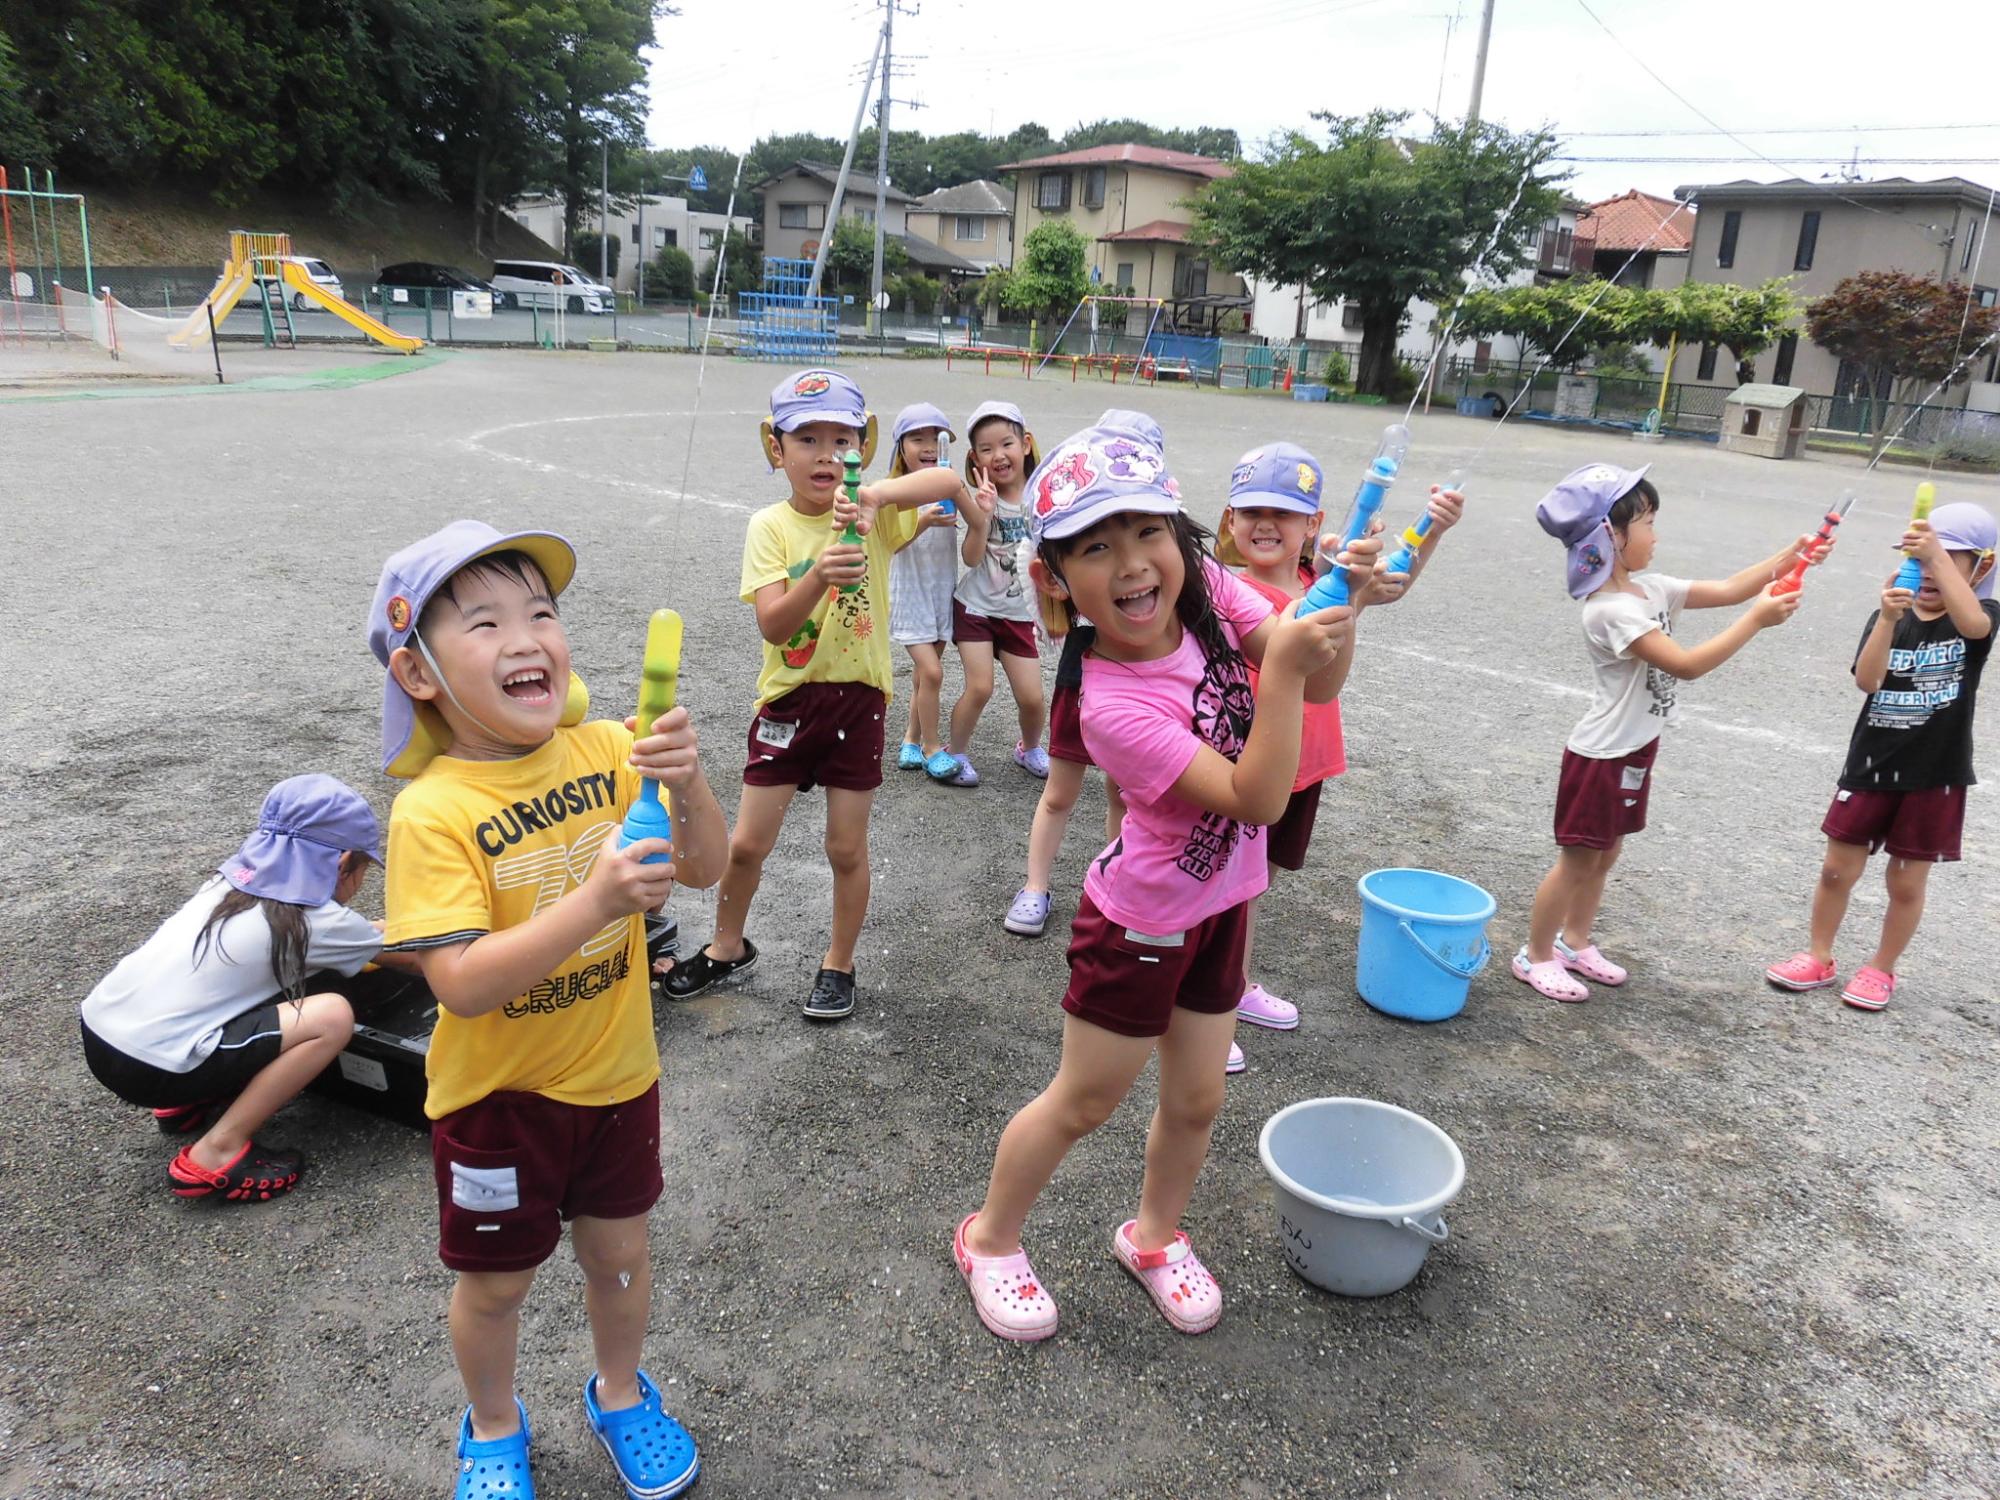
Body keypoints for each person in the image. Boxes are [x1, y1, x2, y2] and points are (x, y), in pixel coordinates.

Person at [952, 422, 1360, 1342]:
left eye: (1148, 533)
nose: (1133, 565)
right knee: (1084, 1102)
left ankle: (1153, 1236)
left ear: (1182, 537)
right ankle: (989, 1238)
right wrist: (1291, 665)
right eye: (1096, 546)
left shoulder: (1210, 586)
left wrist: (1346, 607)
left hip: (1222, 906)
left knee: (1198, 1097)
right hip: (1140, 923)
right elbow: (1256, 797)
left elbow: (1323, 682)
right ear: (1055, 577)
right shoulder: (1110, 703)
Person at [369, 518, 728, 1500]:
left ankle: (619, 1393)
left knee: (619, 1254)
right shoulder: (432, 812)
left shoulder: (609, 747)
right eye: (482, 622)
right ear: (419, 673)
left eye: (540, 611)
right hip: (498, 1105)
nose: (525, 636)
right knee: (495, 1285)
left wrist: (685, 781)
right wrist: (597, 902)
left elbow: (702, 866)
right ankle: (492, 1425)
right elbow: (462, 983)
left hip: (617, 1078)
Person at [662, 369, 961, 1019]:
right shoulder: (770, 527)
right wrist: (822, 575)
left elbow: (950, 483)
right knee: (747, 844)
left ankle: (839, 964)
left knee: (845, 848)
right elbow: (773, 624)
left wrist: (877, 497)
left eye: (843, 441)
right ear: (777, 449)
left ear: (864, 446)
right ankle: (726, 944)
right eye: (808, 440)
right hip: (787, 705)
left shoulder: (875, 517)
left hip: (859, 702)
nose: (827, 456)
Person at [1517, 463, 1820, 1002]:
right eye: (1648, 522)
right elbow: (1685, 664)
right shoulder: (1609, 612)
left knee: (1607, 853)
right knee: (1578, 859)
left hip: (1634, 746)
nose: (1656, 535)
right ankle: (1534, 954)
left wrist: (1789, 557)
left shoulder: (1650, 589)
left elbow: (1727, 589)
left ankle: (1575, 941)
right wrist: (1757, 620)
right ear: (1609, 535)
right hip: (1601, 755)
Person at [1215, 442, 1463, 1051]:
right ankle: (1209, 1008)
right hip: (1247, 764)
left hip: (1305, 764)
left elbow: (1390, 581)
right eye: (1251, 512)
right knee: (1225, 888)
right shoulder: (1224, 591)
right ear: (1230, 520)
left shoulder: (1320, 579)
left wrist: (1431, 529)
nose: (1266, 524)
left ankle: (1234, 984)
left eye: (1285, 513)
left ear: (1314, 525)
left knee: (1256, 885)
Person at [79, 774, 400, 1203]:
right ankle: (218, 1151)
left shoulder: (229, 886)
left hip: (104, 1034)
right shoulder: (317, 920)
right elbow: (411, 954)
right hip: (156, 1066)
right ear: (343, 863)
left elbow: (365, 939)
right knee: (331, 1016)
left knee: (248, 987)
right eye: (362, 870)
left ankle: (191, 1100)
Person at [1765, 503, 1995, 1011]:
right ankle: (1818, 955)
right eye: (1919, 562)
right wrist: (1889, 619)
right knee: (1835, 870)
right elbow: (1867, 681)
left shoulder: (1976, 621)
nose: (1928, 573)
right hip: (1870, 766)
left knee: (1907, 881)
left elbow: (1975, 624)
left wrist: (1933, 550)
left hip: (1935, 774)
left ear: (1981, 568)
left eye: (1943, 562)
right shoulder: (1887, 614)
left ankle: (1880, 968)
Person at [1002, 410, 1159, 940]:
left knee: (1124, 797)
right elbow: (1053, 609)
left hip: (1143, 689)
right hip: (1082, 680)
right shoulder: (1076, 523)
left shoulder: (1160, 534)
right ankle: (1035, 886)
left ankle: (1122, 882)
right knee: (1059, 794)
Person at [942, 399, 1047, 787]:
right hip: (976, 608)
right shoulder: (980, 499)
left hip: (1020, 614)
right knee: (980, 686)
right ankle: (955, 754)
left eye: (1006, 444)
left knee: (1033, 698)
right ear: (974, 458)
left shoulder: (1043, 498)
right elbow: (970, 558)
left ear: (1026, 444)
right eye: (986, 449)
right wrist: (981, 518)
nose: (998, 455)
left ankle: (1030, 748)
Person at [885, 402, 968, 780]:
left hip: (940, 590)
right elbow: (890, 543)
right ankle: (933, 748)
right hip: (910, 594)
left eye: (936, 439)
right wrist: (922, 520)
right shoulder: (894, 492)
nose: (929, 446)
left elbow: (975, 522)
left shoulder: (949, 482)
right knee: (932, 672)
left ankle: (910, 739)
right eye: (917, 438)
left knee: (925, 673)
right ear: (901, 447)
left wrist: (975, 502)